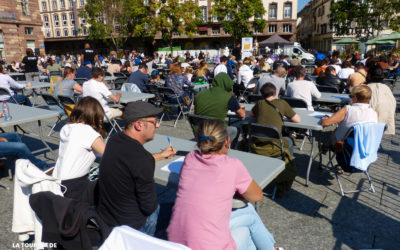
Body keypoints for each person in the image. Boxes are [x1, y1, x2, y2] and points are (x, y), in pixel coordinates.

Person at [167, 119, 277, 250]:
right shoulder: (233, 165)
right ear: (227, 141)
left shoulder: (190, 158)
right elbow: (257, 196)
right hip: (208, 246)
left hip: (175, 242)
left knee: (248, 220)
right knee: (248, 219)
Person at [98, 101, 175, 236]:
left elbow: (132, 161)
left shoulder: (115, 139)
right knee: (172, 209)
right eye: (154, 122)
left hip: (108, 215)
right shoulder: (141, 159)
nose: (157, 126)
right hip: (133, 225)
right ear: (139, 125)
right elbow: (149, 206)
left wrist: (160, 155)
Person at [52, 97, 106, 202]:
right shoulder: (88, 132)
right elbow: (110, 155)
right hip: (74, 187)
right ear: (94, 116)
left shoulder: (67, 127)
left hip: (57, 182)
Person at [249, 83, 300, 194]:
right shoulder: (282, 103)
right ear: (275, 93)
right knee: (290, 141)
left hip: (256, 146)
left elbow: (251, 115)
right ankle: (284, 169)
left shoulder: (260, 103)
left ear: (261, 95)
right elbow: (297, 120)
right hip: (274, 146)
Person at [320, 85, 378, 173]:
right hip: (364, 152)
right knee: (341, 131)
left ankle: (325, 147)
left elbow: (326, 123)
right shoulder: (374, 113)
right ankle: (326, 147)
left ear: (355, 98)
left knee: (336, 131)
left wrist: (324, 117)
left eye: (351, 96)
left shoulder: (348, 110)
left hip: (344, 150)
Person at [195, 72, 245, 143]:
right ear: (227, 84)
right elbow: (242, 115)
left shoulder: (199, 95)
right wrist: (241, 108)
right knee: (235, 129)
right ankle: (227, 148)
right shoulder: (228, 97)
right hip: (217, 133)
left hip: (201, 131)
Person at [366, 66, 396, 135]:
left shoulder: (367, 88)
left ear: (369, 75)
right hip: (385, 124)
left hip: (370, 125)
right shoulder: (386, 88)